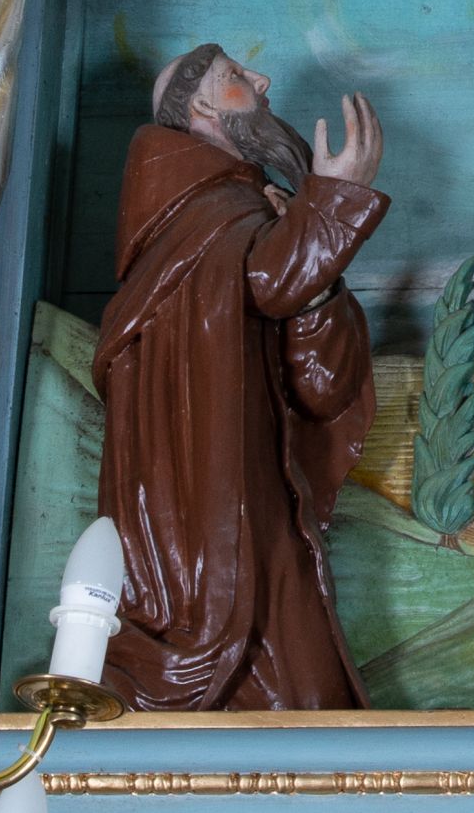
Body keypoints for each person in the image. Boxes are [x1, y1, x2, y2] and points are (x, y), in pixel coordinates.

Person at [92, 46, 388, 709]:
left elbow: (317, 384)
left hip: (256, 493)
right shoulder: (199, 211)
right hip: (205, 507)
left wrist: (315, 268)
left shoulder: (245, 208)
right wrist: (338, 200)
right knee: (300, 693)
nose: (262, 79)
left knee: (307, 690)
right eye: (235, 76)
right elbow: (272, 279)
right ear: (201, 106)